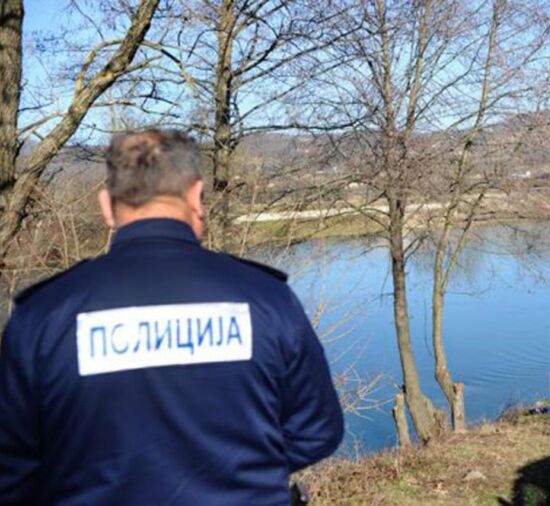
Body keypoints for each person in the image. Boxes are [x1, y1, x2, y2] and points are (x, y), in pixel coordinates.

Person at [0, 130, 344, 505]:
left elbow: (12, 469)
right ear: (196, 195)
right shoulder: (266, 299)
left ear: (107, 205)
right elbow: (318, 431)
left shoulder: (43, 316)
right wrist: (243, 469)